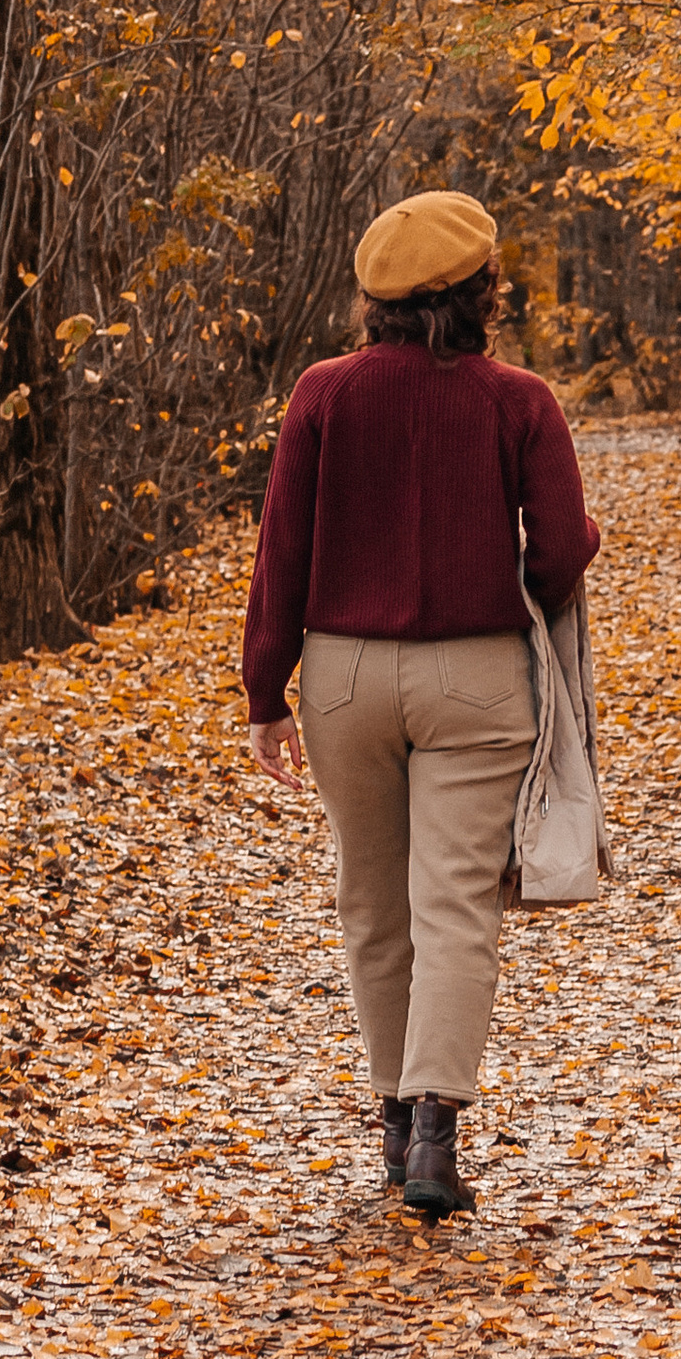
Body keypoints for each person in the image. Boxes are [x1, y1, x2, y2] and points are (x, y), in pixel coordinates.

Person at [242, 190, 601, 1219]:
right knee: (454, 904)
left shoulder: (322, 393)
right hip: (476, 672)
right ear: (482, 289)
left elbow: (284, 552)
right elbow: (566, 544)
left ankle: (392, 1117)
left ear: (376, 300)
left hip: (344, 676)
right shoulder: (517, 399)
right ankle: (436, 1133)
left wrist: (265, 689)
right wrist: (514, 578)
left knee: (370, 899)